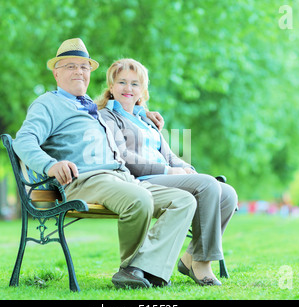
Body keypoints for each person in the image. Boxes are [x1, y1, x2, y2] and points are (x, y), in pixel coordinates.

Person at [13, 39, 196, 289]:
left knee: (184, 201)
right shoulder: (48, 103)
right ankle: (133, 269)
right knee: (139, 200)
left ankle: (140, 269)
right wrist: (50, 165)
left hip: (120, 178)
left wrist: (144, 114)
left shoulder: (90, 106)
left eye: (84, 67)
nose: (79, 71)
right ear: (56, 73)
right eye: (70, 66)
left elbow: (122, 110)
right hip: (85, 180)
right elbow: (23, 141)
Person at [97, 58, 238, 286]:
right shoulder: (107, 117)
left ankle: (190, 257)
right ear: (111, 87)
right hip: (141, 180)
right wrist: (169, 170)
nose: (128, 88)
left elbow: (170, 155)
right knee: (207, 185)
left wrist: (188, 170)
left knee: (228, 193)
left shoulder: (146, 120)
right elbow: (123, 158)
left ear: (142, 90)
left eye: (135, 84)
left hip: (166, 175)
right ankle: (202, 264)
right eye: (121, 82)